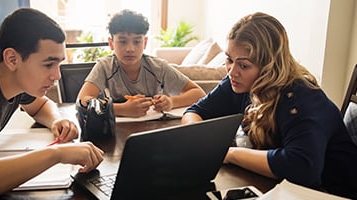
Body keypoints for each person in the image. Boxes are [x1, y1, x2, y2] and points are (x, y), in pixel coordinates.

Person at [181, 12, 357, 199]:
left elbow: (302, 168)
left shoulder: (302, 98)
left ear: (269, 66)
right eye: (229, 60)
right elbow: (196, 111)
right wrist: (199, 140)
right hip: (279, 188)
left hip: (331, 192)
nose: (232, 71)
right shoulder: (239, 82)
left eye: (244, 65)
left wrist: (230, 154)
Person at [0, 8, 104, 199]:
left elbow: (41, 106)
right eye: (48, 64)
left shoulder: (11, 78)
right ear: (12, 59)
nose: (57, 76)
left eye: (59, 64)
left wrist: (56, 121)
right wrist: (55, 154)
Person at [77, 9, 206, 117]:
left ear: (145, 43)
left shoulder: (158, 67)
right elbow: (82, 99)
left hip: (153, 129)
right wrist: (122, 109)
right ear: (111, 44)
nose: (130, 49)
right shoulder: (105, 66)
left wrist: (171, 102)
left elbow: (198, 93)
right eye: (122, 41)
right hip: (118, 129)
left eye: (137, 41)